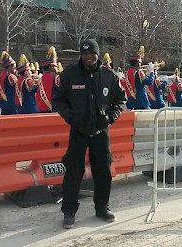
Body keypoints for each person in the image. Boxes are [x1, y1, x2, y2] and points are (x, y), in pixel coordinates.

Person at [52, 39, 127, 229]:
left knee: (103, 171)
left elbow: (121, 100)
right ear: (81, 54)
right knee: (73, 172)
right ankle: (69, 212)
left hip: (101, 131)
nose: (88, 56)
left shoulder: (109, 76)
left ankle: (102, 208)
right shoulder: (70, 75)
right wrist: (71, 118)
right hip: (78, 131)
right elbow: (59, 100)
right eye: (85, 53)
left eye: (92, 53)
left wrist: (110, 118)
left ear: (97, 54)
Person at [35, 46, 59, 112]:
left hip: (40, 110)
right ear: (51, 67)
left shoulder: (40, 78)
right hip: (52, 110)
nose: (57, 68)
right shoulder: (56, 78)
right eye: (55, 66)